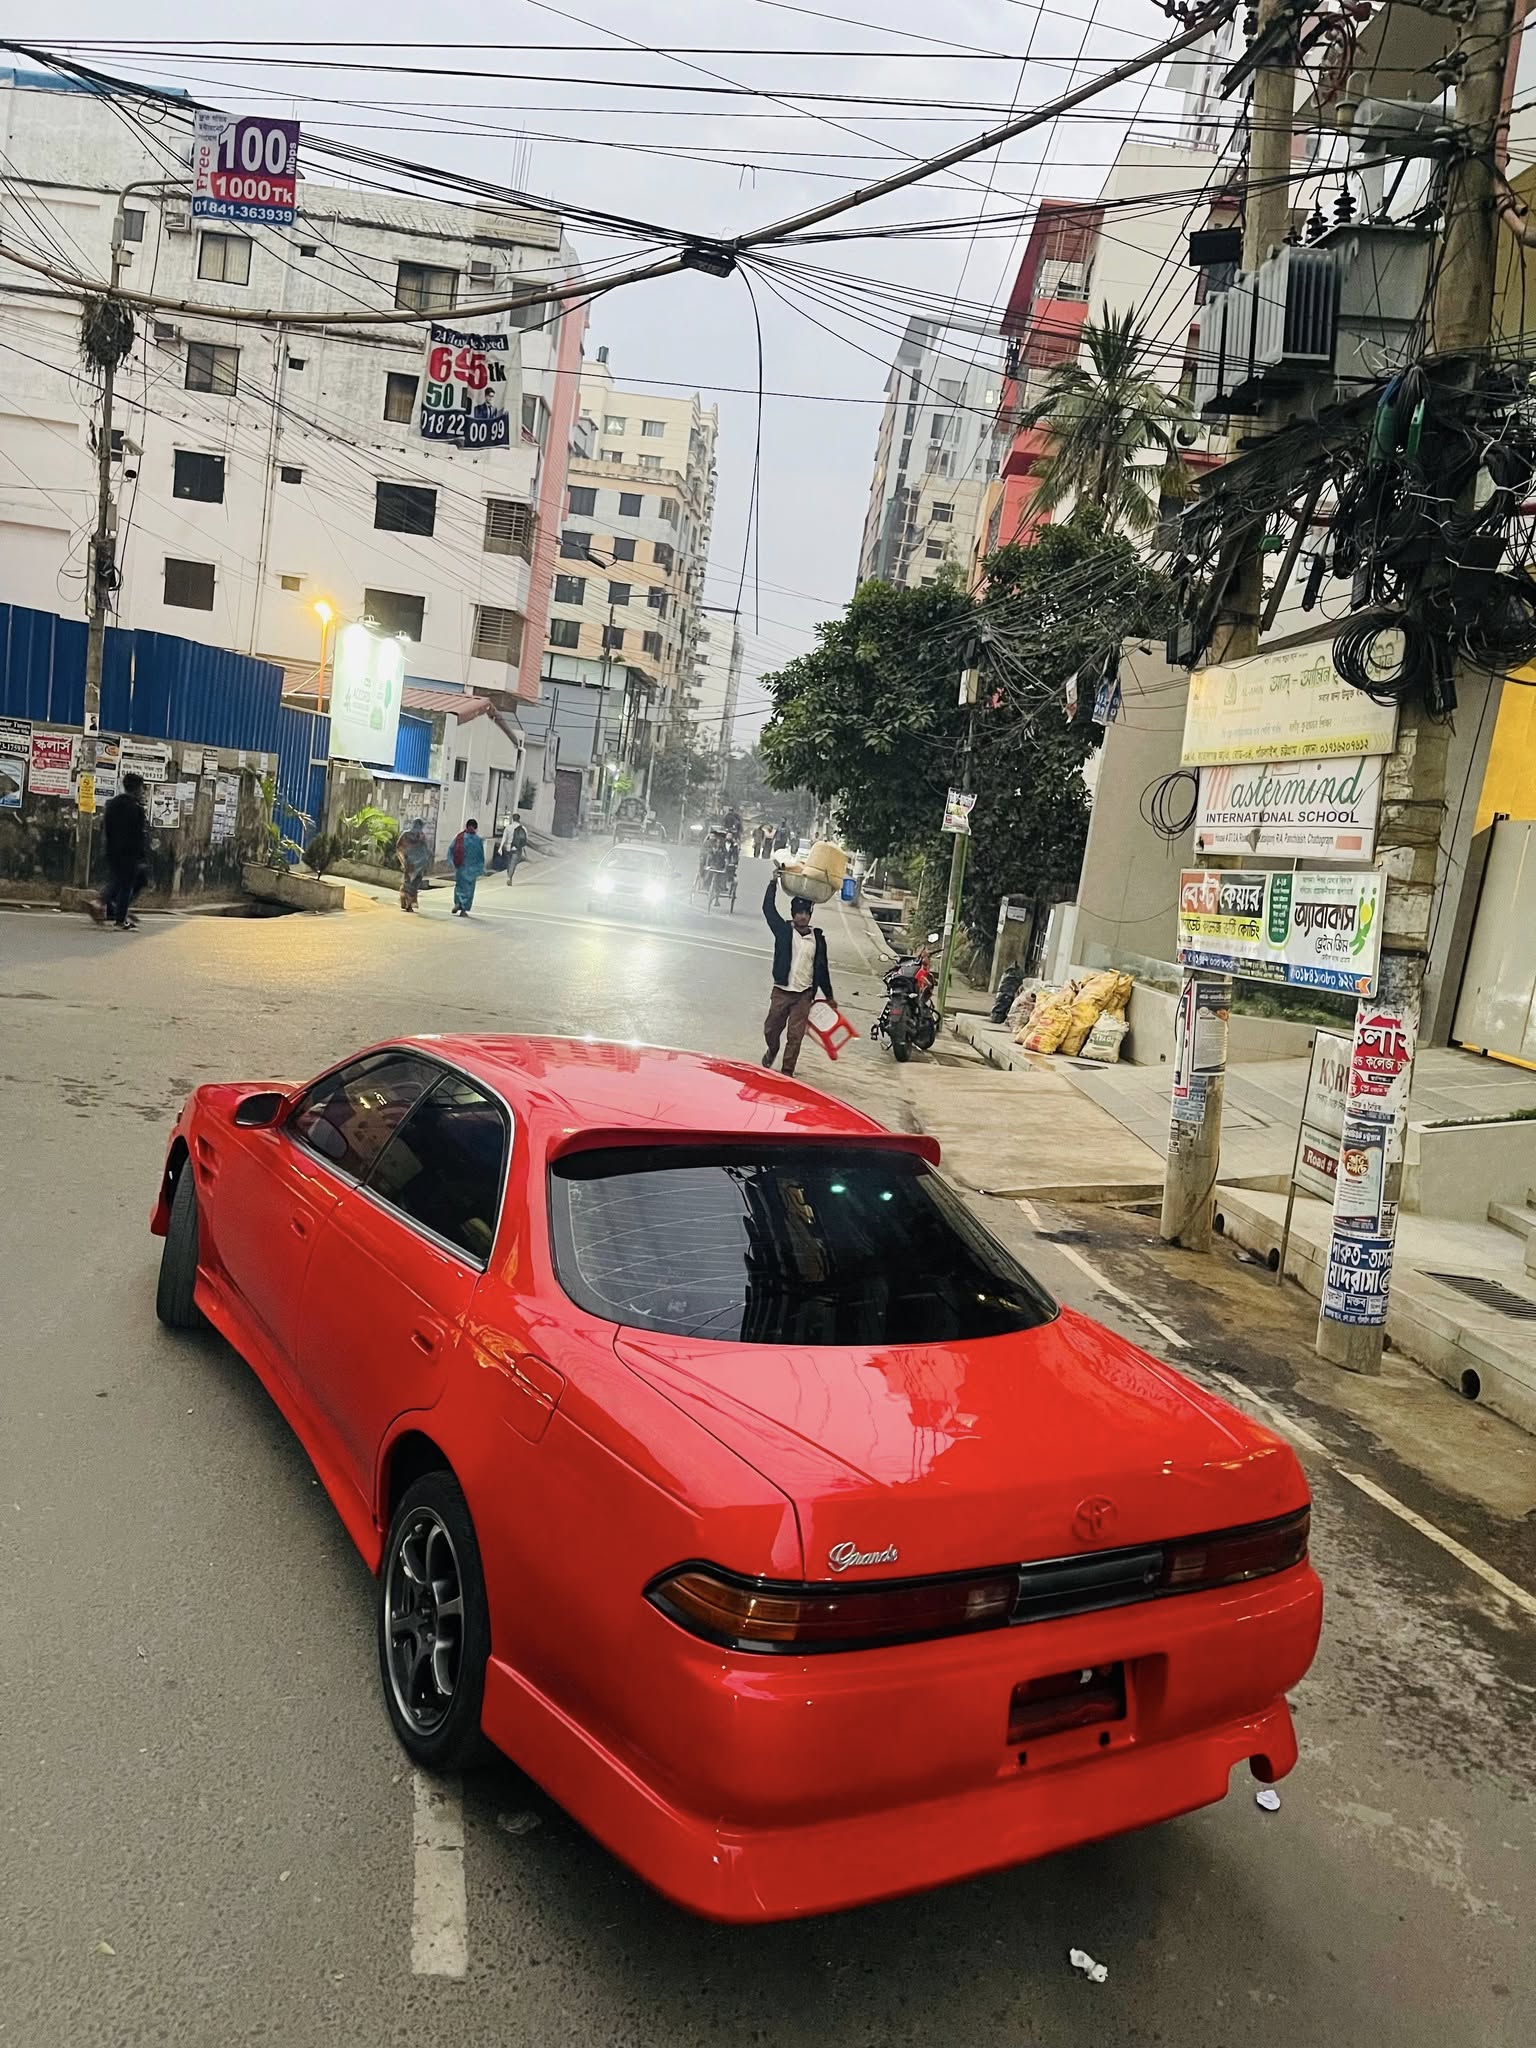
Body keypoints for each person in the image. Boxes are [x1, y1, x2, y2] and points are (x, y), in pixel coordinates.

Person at [761, 876, 834, 1077]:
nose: (803, 917)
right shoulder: (783, 931)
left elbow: (822, 968)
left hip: (803, 995)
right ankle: (772, 1050)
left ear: (810, 915)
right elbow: (768, 909)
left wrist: (829, 995)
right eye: (799, 913)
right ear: (793, 914)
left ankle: (787, 1073)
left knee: (795, 1036)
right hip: (782, 991)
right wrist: (772, 883)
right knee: (771, 1029)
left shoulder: (817, 939)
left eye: (806, 913)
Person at [89, 771, 149, 930]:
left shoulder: (112, 804)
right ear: (137, 788)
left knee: (118, 880)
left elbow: (105, 828)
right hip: (129, 852)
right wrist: (141, 855)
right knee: (126, 884)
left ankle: (111, 909)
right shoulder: (136, 808)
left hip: (112, 849)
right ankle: (118, 918)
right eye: (142, 788)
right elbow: (137, 834)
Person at [449, 817, 485, 916]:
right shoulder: (478, 840)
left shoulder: (460, 837)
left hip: (461, 867)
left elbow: (451, 849)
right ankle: (463, 909)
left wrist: (452, 863)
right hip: (472, 869)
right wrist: (481, 868)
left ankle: (458, 902)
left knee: (459, 886)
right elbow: (480, 855)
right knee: (469, 889)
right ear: (476, 828)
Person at [396, 818, 431, 912]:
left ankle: (404, 900)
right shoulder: (422, 836)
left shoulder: (405, 834)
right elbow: (425, 852)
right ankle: (409, 904)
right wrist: (425, 864)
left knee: (407, 883)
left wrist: (403, 860)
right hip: (419, 866)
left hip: (409, 864)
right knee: (414, 885)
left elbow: (399, 847)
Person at [500, 812, 529, 885]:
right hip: (517, 848)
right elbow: (525, 839)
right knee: (513, 863)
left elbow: (504, 838)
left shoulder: (508, 827)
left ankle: (509, 876)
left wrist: (500, 847)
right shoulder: (523, 828)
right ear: (519, 819)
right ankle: (509, 877)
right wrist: (524, 849)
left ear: (512, 819)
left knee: (509, 863)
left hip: (508, 848)